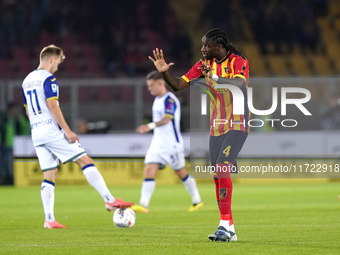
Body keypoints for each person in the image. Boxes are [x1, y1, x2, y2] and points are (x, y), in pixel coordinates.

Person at [148, 28, 250, 242]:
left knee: (222, 168)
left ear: (219, 46)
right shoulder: (202, 66)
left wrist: (213, 77)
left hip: (238, 123)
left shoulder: (239, 61)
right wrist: (165, 72)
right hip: (217, 126)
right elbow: (177, 85)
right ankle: (229, 230)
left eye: (206, 45)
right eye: (202, 45)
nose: (202, 49)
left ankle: (223, 225)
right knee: (217, 176)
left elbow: (239, 84)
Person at [21, 44, 134, 229]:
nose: (57, 67)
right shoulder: (48, 79)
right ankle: (110, 200)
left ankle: (49, 219)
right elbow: (53, 106)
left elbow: (27, 110)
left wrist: (37, 126)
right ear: (52, 59)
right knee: (85, 160)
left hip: (36, 132)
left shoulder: (26, 80)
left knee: (49, 174)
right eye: (58, 62)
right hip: (50, 130)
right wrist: (67, 130)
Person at [131, 71, 204, 213]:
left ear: (160, 83)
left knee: (181, 172)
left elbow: (167, 118)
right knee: (149, 170)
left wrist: (149, 126)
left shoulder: (169, 100)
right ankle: (143, 204)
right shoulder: (157, 100)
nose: (149, 88)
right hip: (157, 143)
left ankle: (197, 201)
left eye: (151, 85)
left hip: (171, 144)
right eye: (148, 86)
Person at [0, 102, 30, 185]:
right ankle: (3, 177)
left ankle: (8, 176)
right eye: (13, 109)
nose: (15, 111)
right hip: (6, 143)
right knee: (4, 161)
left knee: (9, 161)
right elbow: (3, 130)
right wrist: (3, 141)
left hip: (13, 143)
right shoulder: (5, 118)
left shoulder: (14, 119)